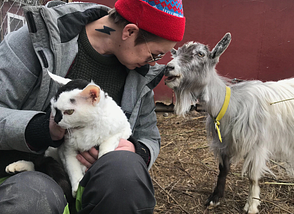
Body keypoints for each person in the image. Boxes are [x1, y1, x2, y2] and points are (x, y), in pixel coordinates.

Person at [0, 0, 185, 213]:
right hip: (28, 175)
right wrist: (41, 128)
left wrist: (136, 150)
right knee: (32, 197)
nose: (153, 63)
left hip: (96, 182)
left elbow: (149, 137)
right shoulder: (37, 41)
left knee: (126, 175)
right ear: (129, 31)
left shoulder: (139, 75)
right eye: (155, 54)